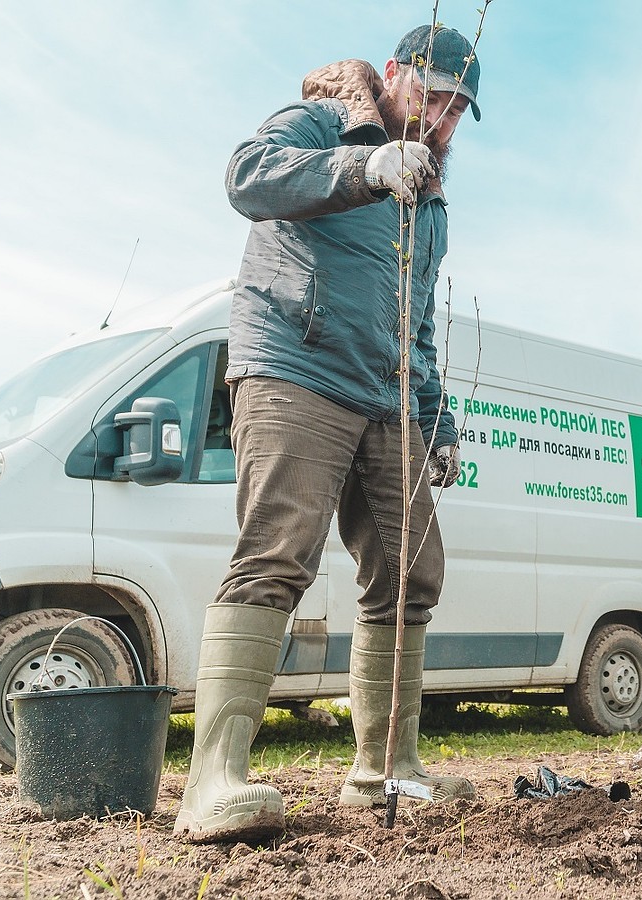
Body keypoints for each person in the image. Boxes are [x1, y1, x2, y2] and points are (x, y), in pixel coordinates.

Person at [174, 24, 483, 843]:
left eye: (458, 112)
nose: (442, 122)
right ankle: (214, 781)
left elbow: (415, 323)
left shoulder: (434, 205)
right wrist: (365, 167)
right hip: (294, 368)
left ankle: (387, 770)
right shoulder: (318, 123)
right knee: (279, 552)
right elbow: (248, 177)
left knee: (413, 568)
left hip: (389, 397)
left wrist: (439, 418)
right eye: (433, 97)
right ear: (393, 76)